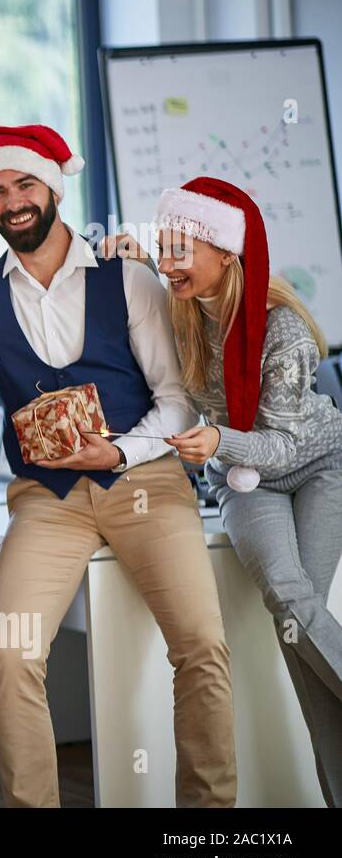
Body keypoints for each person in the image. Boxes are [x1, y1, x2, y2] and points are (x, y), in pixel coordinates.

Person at [0, 124, 237, 807]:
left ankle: (207, 819)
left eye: (24, 184)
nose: (12, 200)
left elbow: (178, 402)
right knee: (10, 655)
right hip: (47, 498)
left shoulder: (128, 280)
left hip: (146, 483)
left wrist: (121, 451)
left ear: (53, 189)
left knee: (201, 645)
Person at [104, 177, 342, 806]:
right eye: (165, 246)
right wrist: (127, 260)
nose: (170, 260)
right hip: (242, 479)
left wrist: (215, 439)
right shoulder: (176, 309)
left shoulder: (282, 329)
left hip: (316, 464)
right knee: (291, 602)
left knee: (299, 631)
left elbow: (284, 446)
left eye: (185, 248)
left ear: (228, 254)